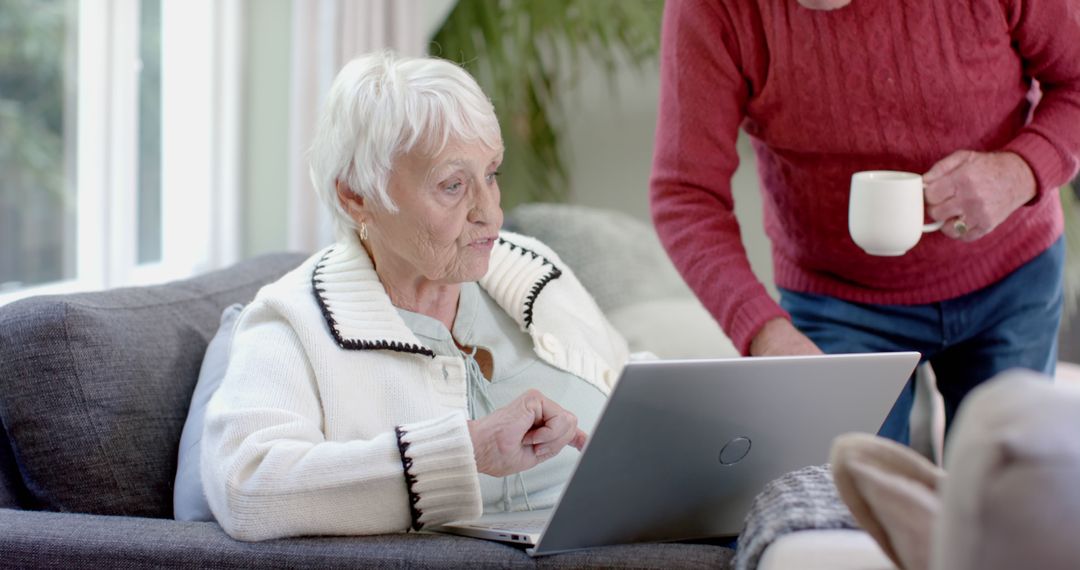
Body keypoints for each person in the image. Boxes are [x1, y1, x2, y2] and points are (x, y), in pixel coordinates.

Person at [199, 51, 629, 541]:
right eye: (453, 185)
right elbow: (247, 486)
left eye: (492, 173)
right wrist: (466, 453)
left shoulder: (531, 270)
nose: (491, 213)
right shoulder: (292, 322)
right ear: (356, 195)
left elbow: (628, 378)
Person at [649, 0, 1080, 444]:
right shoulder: (709, 9)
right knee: (845, 502)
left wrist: (1019, 171)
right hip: (837, 301)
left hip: (1009, 277)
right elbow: (686, 194)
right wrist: (765, 333)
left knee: (1003, 500)